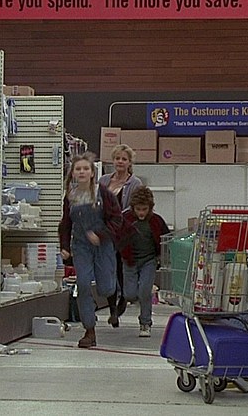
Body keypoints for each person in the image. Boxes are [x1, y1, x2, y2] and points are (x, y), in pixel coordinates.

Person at [59, 153, 123, 348]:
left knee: (106, 288)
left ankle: (116, 295)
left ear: (92, 173)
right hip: (81, 247)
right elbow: (65, 223)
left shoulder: (104, 193)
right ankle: (89, 330)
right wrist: (64, 246)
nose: (82, 172)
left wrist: (101, 235)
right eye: (78, 169)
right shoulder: (70, 196)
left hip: (103, 245)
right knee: (83, 284)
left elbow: (117, 219)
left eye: (85, 168)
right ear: (73, 173)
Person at [97, 144, 143, 327]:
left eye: (124, 159)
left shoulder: (135, 183)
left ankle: (123, 298)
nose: (120, 162)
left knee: (121, 268)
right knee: (108, 268)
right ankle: (112, 310)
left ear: (129, 162)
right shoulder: (103, 180)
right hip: (106, 232)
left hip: (123, 232)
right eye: (117, 158)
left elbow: (136, 208)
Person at [118, 186, 170, 337]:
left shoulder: (156, 221)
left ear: (150, 208)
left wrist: (164, 257)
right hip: (129, 261)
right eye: (138, 209)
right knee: (129, 294)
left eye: (144, 209)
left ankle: (145, 323)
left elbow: (167, 239)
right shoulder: (125, 219)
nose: (141, 212)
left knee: (145, 292)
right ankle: (133, 298)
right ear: (133, 208)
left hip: (149, 261)